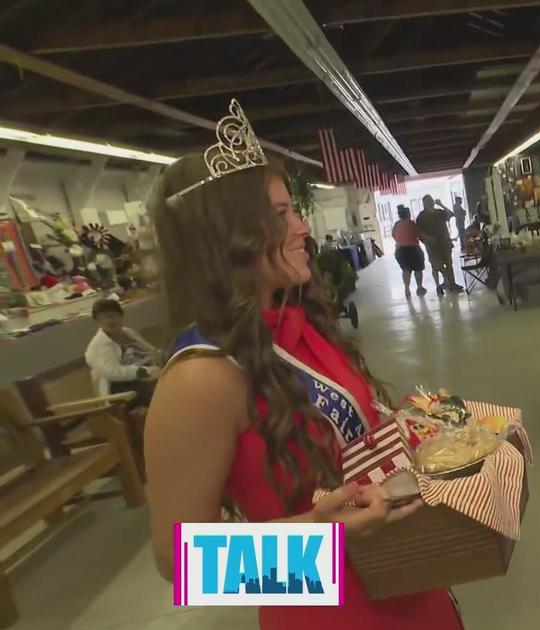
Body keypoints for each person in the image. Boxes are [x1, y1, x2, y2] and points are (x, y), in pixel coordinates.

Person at [142, 103, 462, 630]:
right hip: (331, 613)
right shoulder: (199, 379)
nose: (302, 228)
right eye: (281, 215)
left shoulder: (297, 324)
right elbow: (178, 564)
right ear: (227, 235)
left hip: (403, 583)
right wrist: (319, 542)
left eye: (294, 210)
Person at [85, 298, 160, 409]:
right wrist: (142, 371)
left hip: (146, 375)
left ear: (120, 316)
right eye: (102, 318)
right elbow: (113, 372)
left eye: (111, 315)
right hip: (120, 389)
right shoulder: (98, 345)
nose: (108, 321)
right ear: (97, 321)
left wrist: (163, 358)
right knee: (150, 387)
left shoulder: (128, 332)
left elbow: (150, 350)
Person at [415, 195, 462, 296]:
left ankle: (452, 284)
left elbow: (451, 214)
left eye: (431, 201)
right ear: (424, 204)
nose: (430, 203)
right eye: (428, 201)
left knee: (449, 264)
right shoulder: (421, 216)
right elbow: (418, 231)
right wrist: (427, 238)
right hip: (433, 245)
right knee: (436, 266)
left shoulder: (439, 212)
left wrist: (441, 205)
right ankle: (441, 284)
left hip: (444, 242)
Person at [392, 205, 427, 299]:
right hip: (413, 249)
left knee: (406, 270)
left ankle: (407, 289)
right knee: (418, 269)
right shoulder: (411, 223)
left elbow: (393, 235)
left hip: (400, 250)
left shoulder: (396, 224)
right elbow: (419, 235)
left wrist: (400, 241)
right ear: (408, 214)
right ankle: (419, 287)